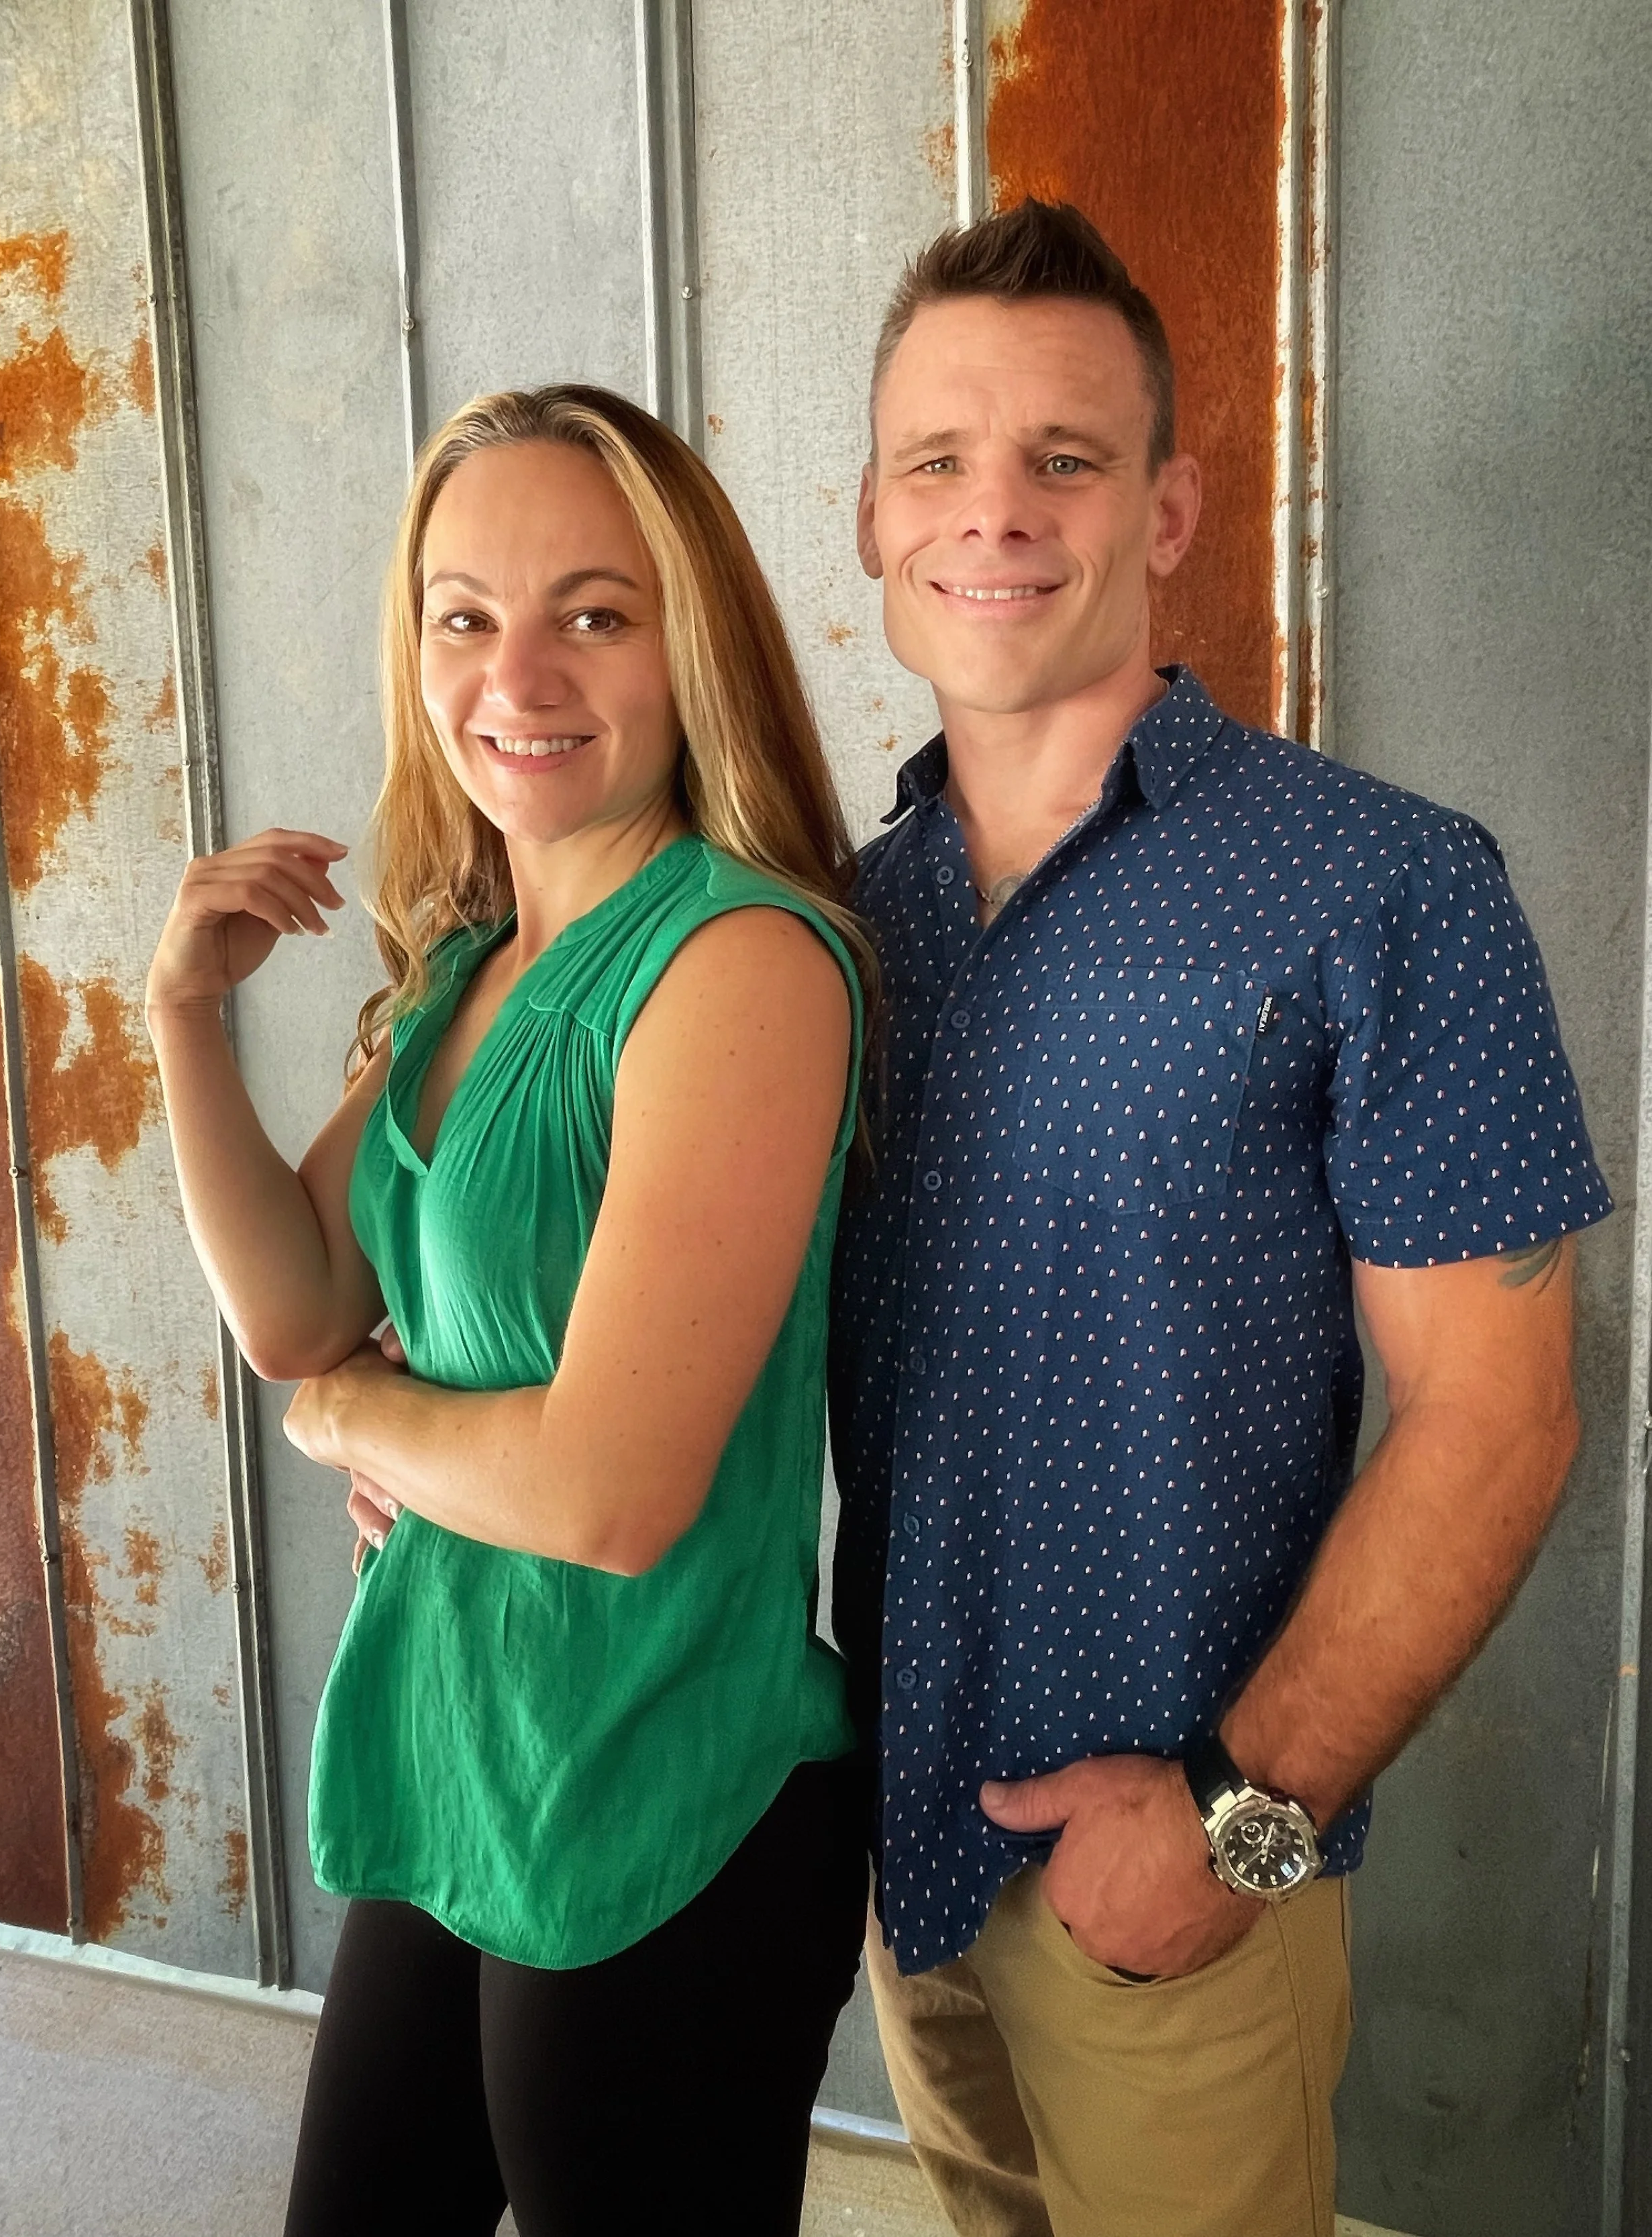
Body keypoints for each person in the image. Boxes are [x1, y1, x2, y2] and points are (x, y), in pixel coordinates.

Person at [827, 198, 1610, 2237]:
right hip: (900, 1854)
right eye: (938, 457)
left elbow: (1500, 1417)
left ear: (1170, 510)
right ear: (870, 519)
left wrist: (1237, 1831)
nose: (994, 510)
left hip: (1182, 1884)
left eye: (1066, 458)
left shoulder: (1383, 888)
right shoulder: (825, 928)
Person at [144, 384, 876, 2236]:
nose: (516, 675)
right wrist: (184, 1018)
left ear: (691, 642)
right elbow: (299, 1305)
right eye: (463, 616)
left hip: (658, 1788)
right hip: (463, 1741)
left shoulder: (737, 960)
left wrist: (361, 1423)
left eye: (592, 613)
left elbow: (607, 1494)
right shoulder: (468, 963)